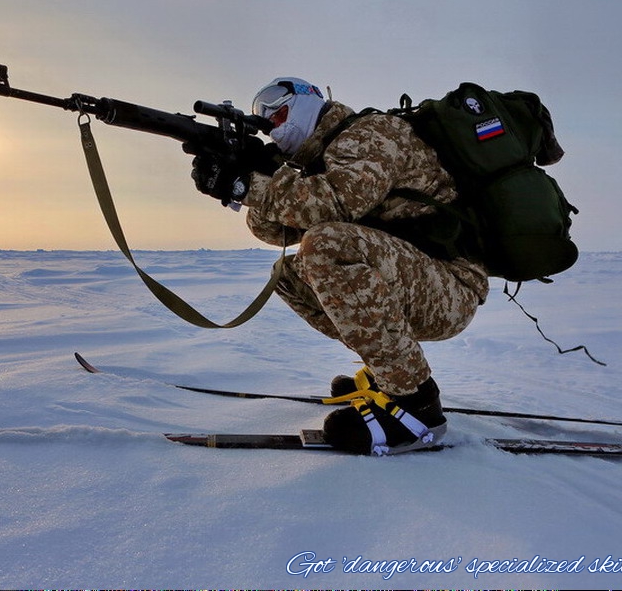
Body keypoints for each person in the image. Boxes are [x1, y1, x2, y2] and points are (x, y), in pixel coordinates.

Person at [190, 77, 489, 456]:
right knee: (288, 273)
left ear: (308, 103)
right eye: (264, 120)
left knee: (328, 246)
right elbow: (272, 229)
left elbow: (337, 205)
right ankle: (390, 376)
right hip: (414, 278)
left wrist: (244, 186)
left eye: (278, 111)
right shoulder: (319, 162)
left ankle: (416, 405)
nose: (273, 124)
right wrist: (253, 170)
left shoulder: (373, 133)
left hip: (449, 287)